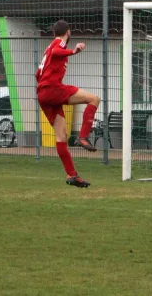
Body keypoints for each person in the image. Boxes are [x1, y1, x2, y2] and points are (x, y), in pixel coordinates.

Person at [35, 20, 100, 188]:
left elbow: (38, 73)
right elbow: (58, 51)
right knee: (94, 99)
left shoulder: (47, 48)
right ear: (68, 32)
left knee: (61, 136)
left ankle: (72, 175)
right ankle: (83, 136)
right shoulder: (59, 43)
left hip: (43, 94)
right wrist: (74, 51)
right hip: (52, 89)